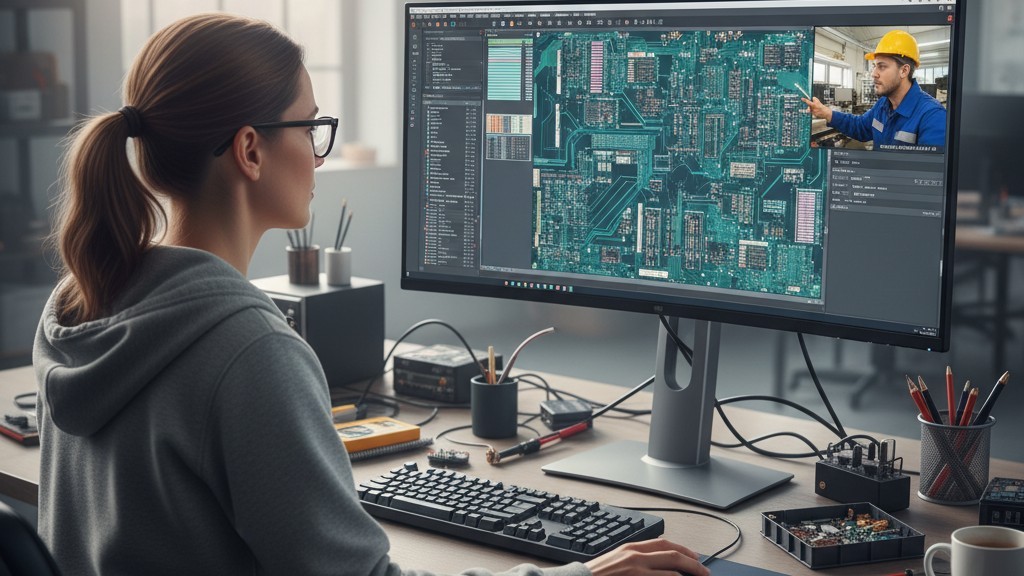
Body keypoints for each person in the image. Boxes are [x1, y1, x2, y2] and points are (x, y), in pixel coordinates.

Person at [33, 13, 710, 576]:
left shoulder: (80, 303)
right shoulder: (248, 353)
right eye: (310, 127)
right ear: (250, 150)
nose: (319, 154)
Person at [802, 29, 946, 148]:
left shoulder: (932, 116)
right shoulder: (883, 104)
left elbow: (931, 176)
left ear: (904, 71)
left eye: (882, 66)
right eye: (874, 66)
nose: (873, 74)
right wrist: (826, 113)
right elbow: (860, 127)